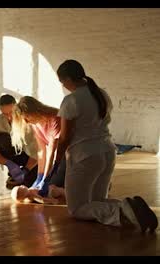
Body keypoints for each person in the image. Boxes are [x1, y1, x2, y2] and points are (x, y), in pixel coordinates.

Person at [55, 59, 157, 232]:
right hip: (107, 151)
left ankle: (122, 210)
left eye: (62, 81)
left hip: (84, 156)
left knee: (77, 209)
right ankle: (130, 207)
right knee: (98, 200)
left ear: (68, 79)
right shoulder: (101, 93)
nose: (63, 85)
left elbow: (65, 137)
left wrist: (57, 159)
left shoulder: (71, 100)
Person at [11, 96, 66, 197]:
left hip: (66, 157)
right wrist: (39, 177)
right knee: (39, 189)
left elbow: (52, 152)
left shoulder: (55, 119)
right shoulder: (35, 123)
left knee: (51, 189)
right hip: (55, 157)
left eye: (27, 118)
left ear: (35, 111)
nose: (26, 122)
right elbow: (42, 152)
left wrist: (46, 178)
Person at [0, 94, 38, 189]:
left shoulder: (27, 121)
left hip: (31, 158)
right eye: (5, 114)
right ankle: (15, 170)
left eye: (11, 112)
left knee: (30, 184)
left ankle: (23, 172)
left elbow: (37, 151)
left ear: (17, 108)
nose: (9, 117)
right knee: (0, 139)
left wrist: (26, 170)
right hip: (13, 156)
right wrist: (9, 164)